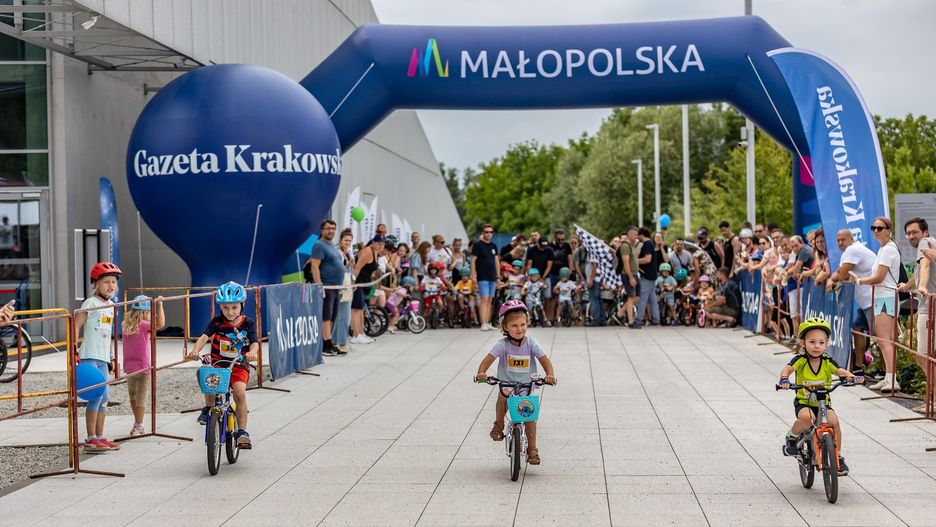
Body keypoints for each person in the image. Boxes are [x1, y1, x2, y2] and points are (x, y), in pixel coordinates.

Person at [474, 300, 556, 466]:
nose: (520, 329)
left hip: (528, 385)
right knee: (502, 398)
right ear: (505, 327)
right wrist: (481, 372)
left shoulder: (531, 343)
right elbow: (487, 360)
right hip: (507, 384)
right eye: (514, 326)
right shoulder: (502, 345)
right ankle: (498, 425)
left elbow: (544, 359)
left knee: (529, 415)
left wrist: (550, 374)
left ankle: (532, 449)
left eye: (523, 324)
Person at [779, 317, 862, 476]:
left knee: (834, 422)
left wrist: (852, 377)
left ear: (826, 344)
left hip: (823, 403)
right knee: (807, 419)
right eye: (812, 342)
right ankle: (792, 436)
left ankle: (837, 456)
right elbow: (787, 369)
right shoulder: (801, 361)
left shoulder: (827, 361)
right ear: (803, 342)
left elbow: (840, 371)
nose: (817, 346)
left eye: (821, 343)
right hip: (805, 403)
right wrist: (784, 380)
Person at [187, 282, 259, 448]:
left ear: (242, 305)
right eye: (225, 308)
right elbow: (204, 337)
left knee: (239, 393)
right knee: (209, 381)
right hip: (219, 364)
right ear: (220, 306)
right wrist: (195, 350)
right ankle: (208, 407)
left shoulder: (248, 323)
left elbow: (254, 343)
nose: (230, 312)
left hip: (239, 365)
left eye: (234, 307)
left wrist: (252, 352)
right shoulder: (217, 322)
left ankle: (242, 432)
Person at [73, 262, 123, 453]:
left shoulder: (111, 305)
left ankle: (101, 436)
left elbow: (107, 332)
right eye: (106, 282)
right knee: (95, 396)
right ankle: (90, 438)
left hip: (103, 357)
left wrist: (110, 357)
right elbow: (76, 325)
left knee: (105, 397)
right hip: (89, 355)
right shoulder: (90, 303)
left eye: (113, 282)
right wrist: (74, 349)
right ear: (96, 284)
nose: (111, 285)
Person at [851, 217, 901, 392]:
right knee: (883, 341)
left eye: (880, 228)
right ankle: (889, 377)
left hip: (886, 296)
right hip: (883, 296)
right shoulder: (883, 249)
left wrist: (859, 280)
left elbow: (879, 277)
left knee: (884, 340)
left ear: (888, 230)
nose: (876, 231)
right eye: (874, 228)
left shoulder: (888, 250)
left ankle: (892, 379)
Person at [825, 229, 876, 373]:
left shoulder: (853, 250)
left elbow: (842, 274)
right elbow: (840, 270)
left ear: (851, 239)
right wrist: (832, 278)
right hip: (865, 300)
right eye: (838, 240)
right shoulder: (850, 250)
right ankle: (859, 366)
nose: (840, 243)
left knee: (881, 339)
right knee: (857, 329)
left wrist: (832, 280)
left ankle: (885, 373)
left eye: (843, 239)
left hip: (873, 299)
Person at [899, 217, 936, 411]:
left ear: (925, 232)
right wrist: (907, 286)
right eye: (909, 233)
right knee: (928, 355)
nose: (911, 236)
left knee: (923, 356)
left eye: (915, 232)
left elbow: (926, 267)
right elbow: (920, 270)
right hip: (929, 304)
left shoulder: (925, 243)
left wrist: (921, 286)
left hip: (929, 306)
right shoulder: (930, 245)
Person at [121, 294, 165, 437]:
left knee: (133, 396)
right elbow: (161, 324)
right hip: (144, 367)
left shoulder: (124, 324)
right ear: (146, 312)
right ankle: (138, 425)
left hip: (129, 366)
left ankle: (137, 423)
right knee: (141, 397)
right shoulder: (145, 325)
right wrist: (159, 305)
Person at [304, 220, 347, 357]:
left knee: (332, 316)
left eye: (333, 228)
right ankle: (326, 345)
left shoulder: (332, 246)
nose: (331, 231)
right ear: (322, 230)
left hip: (335, 287)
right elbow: (315, 266)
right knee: (326, 316)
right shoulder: (319, 245)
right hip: (326, 287)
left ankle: (330, 341)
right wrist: (319, 285)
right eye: (328, 228)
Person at [351, 234, 385, 345]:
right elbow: (357, 267)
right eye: (379, 243)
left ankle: (361, 333)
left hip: (364, 283)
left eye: (382, 244)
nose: (381, 246)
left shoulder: (375, 252)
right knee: (356, 309)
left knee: (361, 309)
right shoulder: (367, 251)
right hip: (358, 283)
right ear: (373, 242)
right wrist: (352, 284)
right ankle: (355, 335)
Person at [471, 224, 500, 331]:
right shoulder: (478, 245)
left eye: (490, 232)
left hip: (492, 276)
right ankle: (483, 322)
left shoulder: (493, 246)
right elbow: (473, 260)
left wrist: (498, 276)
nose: (488, 234)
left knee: (490, 300)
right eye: (486, 232)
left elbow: (496, 261)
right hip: (482, 276)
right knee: (484, 299)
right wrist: (473, 274)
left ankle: (487, 322)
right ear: (483, 233)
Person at [333, 228, 355, 353]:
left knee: (345, 314)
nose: (348, 242)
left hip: (348, 283)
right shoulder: (338, 252)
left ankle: (340, 340)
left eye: (350, 240)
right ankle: (340, 341)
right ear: (341, 240)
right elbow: (338, 268)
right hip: (341, 284)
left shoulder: (348, 252)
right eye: (346, 240)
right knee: (342, 315)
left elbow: (350, 269)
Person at [635, 227, 660, 327]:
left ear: (642, 234)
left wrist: (635, 261)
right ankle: (656, 319)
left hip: (647, 275)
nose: (637, 237)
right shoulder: (650, 244)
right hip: (652, 275)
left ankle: (638, 320)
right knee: (652, 299)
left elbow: (647, 259)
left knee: (642, 298)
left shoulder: (647, 244)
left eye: (638, 235)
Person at [547, 229, 572, 323]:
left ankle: (565, 317)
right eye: (559, 240)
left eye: (562, 239)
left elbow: (570, 259)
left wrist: (570, 272)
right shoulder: (550, 245)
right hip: (553, 273)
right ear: (555, 237)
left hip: (564, 275)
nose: (561, 241)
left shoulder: (567, 245)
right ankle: (551, 317)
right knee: (553, 297)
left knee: (565, 295)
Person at [618, 227, 640, 328]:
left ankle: (620, 313)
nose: (636, 237)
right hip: (628, 275)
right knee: (631, 297)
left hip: (635, 273)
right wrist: (631, 277)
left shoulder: (632, 245)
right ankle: (631, 322)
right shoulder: (625, 246)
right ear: (629, 234)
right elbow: (626, 263)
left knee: (637, 297)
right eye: (635, 234)